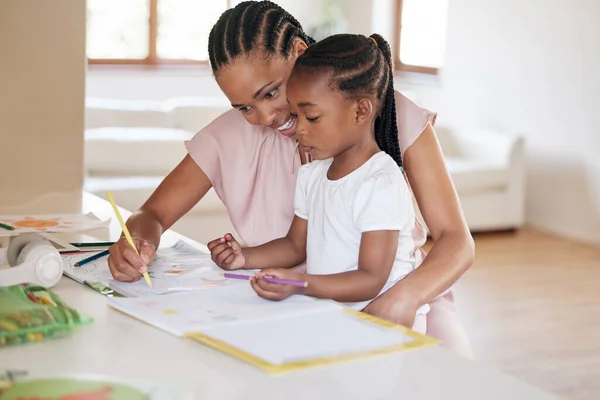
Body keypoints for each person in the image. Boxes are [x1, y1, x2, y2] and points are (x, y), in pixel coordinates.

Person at [107, 0, 474, 357]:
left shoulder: (382, 111)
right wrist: (136, 241)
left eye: (270, 92)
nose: (265, 116)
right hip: (290, 304)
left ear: (299, 52)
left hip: (405, 300)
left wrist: (402, 298)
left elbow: (456, 241)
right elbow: (152, 213)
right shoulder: (232, 138)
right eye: (245, 107)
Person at [208, 33, 430, 332]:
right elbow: (295, 246)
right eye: (296, 114)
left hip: (385, 323)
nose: (298, 129)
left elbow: (370, 279)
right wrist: (243, 257)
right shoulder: (313, 175)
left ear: (361, 111)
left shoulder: (380, 182)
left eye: (311, 117)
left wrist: (300, 283)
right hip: (336, 315)